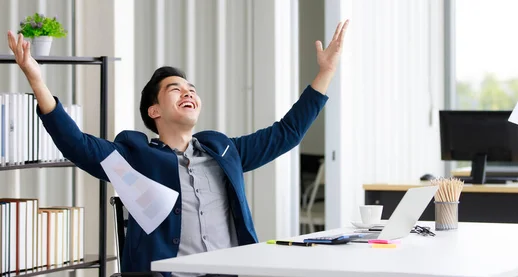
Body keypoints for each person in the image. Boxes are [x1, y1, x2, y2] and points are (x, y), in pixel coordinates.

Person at [7, 19, 349, 277]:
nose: (188, 92)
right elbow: (77, 145)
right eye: (175, 88)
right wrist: (38, 81)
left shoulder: (223, 151)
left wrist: (326, 73)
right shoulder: (135, 155)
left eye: (192, 89)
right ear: (153, 111)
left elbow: (286, 133)